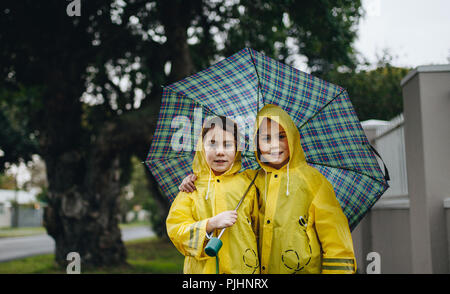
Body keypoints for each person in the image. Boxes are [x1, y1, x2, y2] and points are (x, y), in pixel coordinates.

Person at [179, 104, 356, 274]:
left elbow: (337, 243)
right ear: (257, 144)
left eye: (281, 136)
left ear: (293, 137)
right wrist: (195, 178)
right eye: (266, 138)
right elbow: (223, 181)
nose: (274, 145)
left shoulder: (314, 181)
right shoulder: (251, 179)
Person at [166, 116, 260, 274]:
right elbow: (176, 230)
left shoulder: (249, 183)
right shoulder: (191, 188)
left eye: (227, 144)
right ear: (201, 147)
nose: (220, 152)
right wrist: (210, 224)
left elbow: (259, 228)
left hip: (243, 269)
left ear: (237, 148)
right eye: (212, 143)